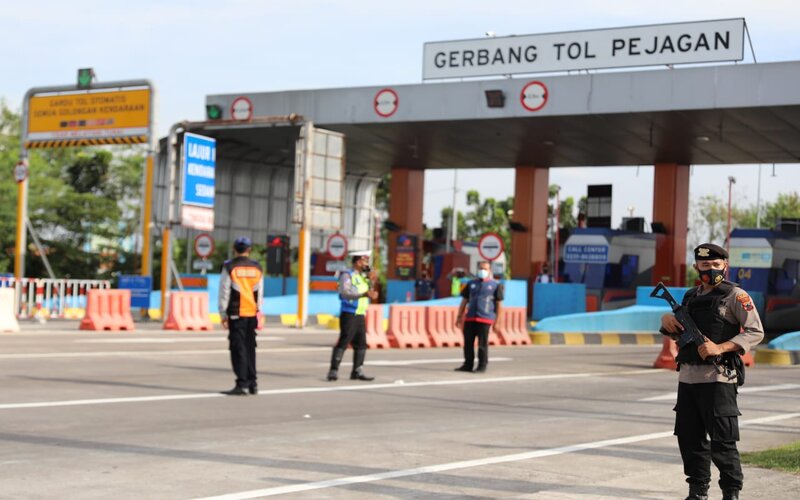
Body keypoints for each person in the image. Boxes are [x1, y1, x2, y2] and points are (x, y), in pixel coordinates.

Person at [660, 243, 764, 500]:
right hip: (688, 378)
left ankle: (731, 493)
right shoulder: (689, 297)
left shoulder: (736, 296)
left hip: (719, 378)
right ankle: (698, 491)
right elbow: (680, 336)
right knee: (689, 439)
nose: (710, 270)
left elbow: (755, 331)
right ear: (697, 266)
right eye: (705, 265)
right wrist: (667, 323)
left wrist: (720, 347)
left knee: (723, 441)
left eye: (716, 265)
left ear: (725, 266)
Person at [218, 237, 263, 396]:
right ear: (249, 250)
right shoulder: (257, 267)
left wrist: (223, 314)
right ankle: (253, 383)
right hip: (251, 313)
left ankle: (242, 384)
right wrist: (258, 311)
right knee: (250, 348)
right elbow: (259, 292)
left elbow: (225, 291)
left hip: (237, 314)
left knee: (238, 349)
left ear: (234, 249)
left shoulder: (229, 266)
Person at [327, 252, 379, 382]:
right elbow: (345, 293)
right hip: (349, 313)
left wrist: (372, 280)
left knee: (361, 344)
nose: (367, 264)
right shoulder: (346, 275)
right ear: (358, 262)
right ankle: (333, 370)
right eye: (364, 261)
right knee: (344, 342)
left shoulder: (363, 277)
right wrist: (365, 294)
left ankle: (357, 371)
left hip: (360, 314)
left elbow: (369, 291)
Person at [454, 260, 504, 373]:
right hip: (470, 317)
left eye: (485, 269)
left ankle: (482, 365)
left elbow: (499, 305)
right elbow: (464, 301)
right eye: (481, 268)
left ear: (489, 271)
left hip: (485, 318)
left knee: (482, 344)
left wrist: (498, 322)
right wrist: (459, 316)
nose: (482, 271)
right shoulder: (471, 284)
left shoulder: (495, 285)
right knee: (468, 343)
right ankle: (467, 364)